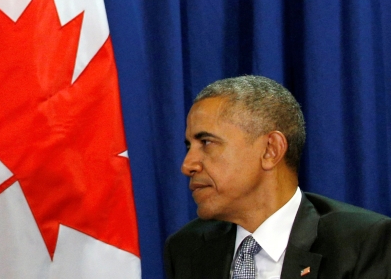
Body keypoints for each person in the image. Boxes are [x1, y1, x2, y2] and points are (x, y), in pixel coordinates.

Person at [164, 75, 391, 279]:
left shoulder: (363, 242)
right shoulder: (186, 249)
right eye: (189, 146)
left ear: (270, 150)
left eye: (206, 143)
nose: (188, 165)